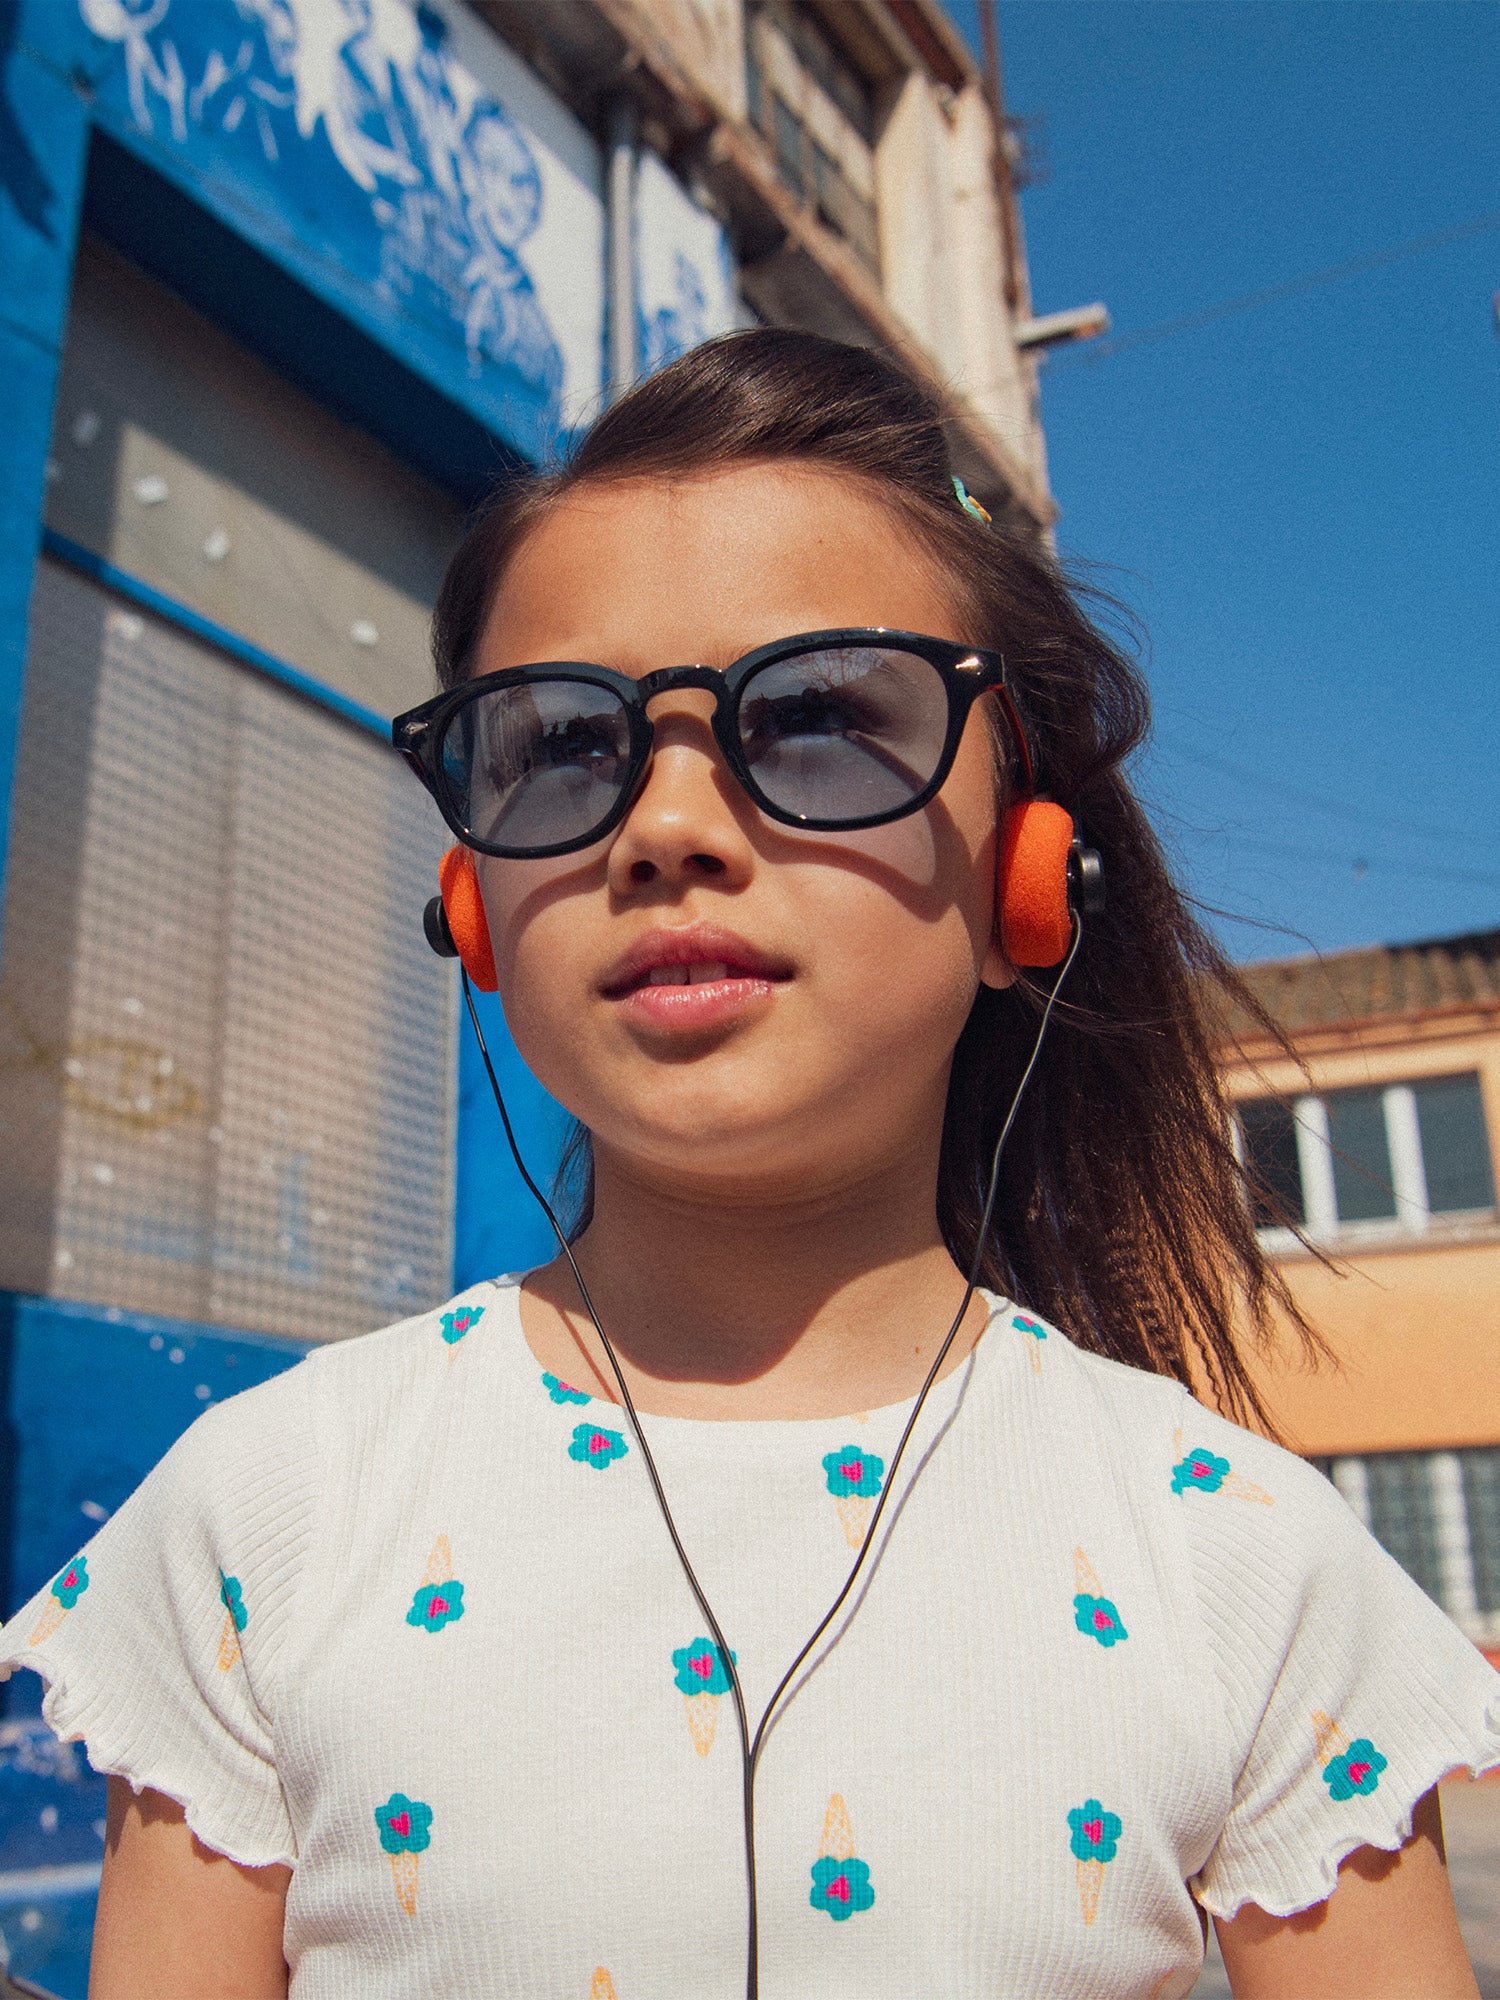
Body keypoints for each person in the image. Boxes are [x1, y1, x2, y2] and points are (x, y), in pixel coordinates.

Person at [2, 332, 1495, 1999]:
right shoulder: (266, 1509)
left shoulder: (1240, 1562)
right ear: (475, 907)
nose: (666, 825)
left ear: (1030, 876)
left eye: (823, 718)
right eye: (560, 742)